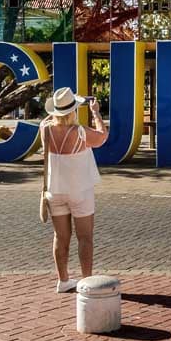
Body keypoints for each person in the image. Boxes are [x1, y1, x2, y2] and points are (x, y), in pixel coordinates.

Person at [41, 87, 107, 293]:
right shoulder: (80, 132)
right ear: (73, 111)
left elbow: (47, 119)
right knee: (85, 238)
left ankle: (63, 280)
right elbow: (102, 136)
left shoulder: (45, 129)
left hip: (55, 191)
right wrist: (95, 112)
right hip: (80, 191)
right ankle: (86, 281)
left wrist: (57, 110)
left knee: (60, 237)